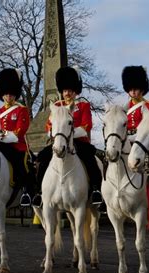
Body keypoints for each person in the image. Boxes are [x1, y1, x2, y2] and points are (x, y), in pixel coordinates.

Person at [35, 66, 102, 206]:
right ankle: (38, 192)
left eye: (70, 91)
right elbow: (49, 125)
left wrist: (69, 134)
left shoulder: (83, 105)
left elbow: (86, 126)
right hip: (59, 141)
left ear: (75, 91)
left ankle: (96, 190)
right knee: (43, 158)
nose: (67, 93)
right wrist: (52, 133)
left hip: (79, 141)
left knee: (90, 160)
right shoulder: (57, 106)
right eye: (65, 91)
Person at [122, 65, 149, 229]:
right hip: (128, 145)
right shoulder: (123, 109)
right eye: (131, 89)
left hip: (145, 146)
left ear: (142, 89)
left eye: (137, 89)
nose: (134, 92)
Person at [0, 68, 35, 207]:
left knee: (20, 165)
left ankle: (27, 191)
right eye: (6, 93)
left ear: (15, 94)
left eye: (11, 94)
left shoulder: (22, 110)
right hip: (0, 145)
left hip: (17, 146)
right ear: (2, 94)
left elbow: (20, 131)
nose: (9, 96)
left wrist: (3, 136)